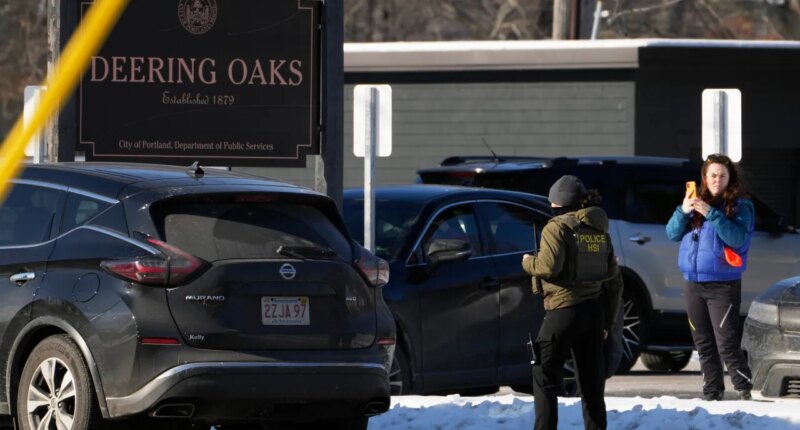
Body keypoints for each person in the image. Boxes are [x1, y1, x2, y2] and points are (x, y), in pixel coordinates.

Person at [522, 175, 622, 430]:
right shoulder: (600, 231)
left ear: (555, 203)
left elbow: (548, 266)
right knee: (591, 383)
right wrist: (606, 323)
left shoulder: (556, 227)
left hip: (563, 311)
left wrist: (527, 262)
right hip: (594, 314)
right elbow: (614, 282)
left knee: (543, 373)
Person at [666, 153, 754, 401]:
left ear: (730, 178)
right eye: (712, 175)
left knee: (725, 341)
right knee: (703, 342)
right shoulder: (695, 203)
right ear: (704, 177)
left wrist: (712, 215)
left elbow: (737, 239)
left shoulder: (741, 206)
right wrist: (683, 210)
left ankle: (744, 387)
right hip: (693, 282)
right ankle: (712, 391)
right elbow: (672, 233)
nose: (717, 180)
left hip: (722, 283)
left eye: (722, 175)